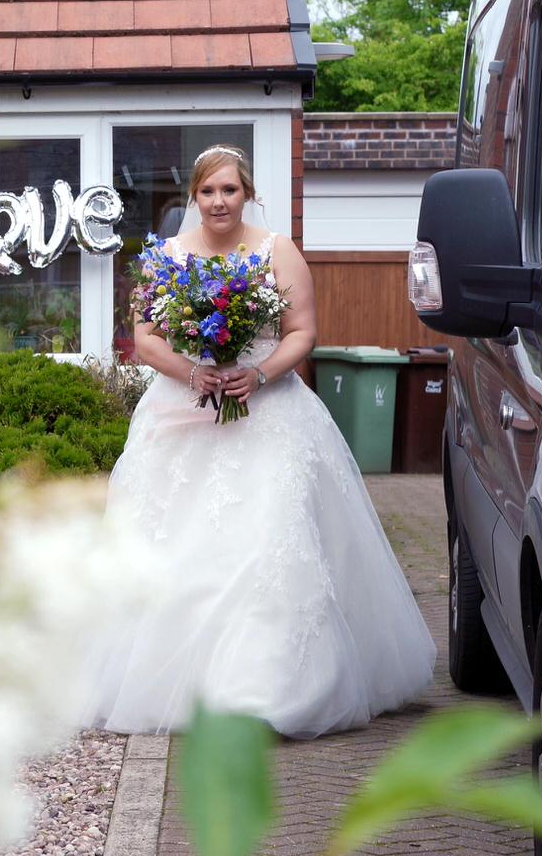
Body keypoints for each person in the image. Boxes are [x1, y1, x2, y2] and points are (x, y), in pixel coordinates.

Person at [82, 145, 435, 739]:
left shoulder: (278, 251)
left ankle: (264, 691)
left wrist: (260, 373)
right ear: (192, 197)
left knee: (271, 538)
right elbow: (146, 341)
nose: (219, 201)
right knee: (178, 545)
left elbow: (303, 332)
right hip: (183, 408)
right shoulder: (167, 256)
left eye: (230, 190)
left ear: (248, 193)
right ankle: (180, 685)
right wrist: (196, 373)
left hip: (268, 410)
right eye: (207, 192)